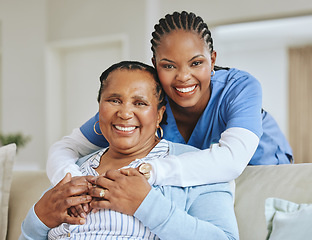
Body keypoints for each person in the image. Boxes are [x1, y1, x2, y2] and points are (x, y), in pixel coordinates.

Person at [47, 11, 292, 187]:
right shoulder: (144, 104)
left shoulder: (240, 88)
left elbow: (231, 160)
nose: (183, 77)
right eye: (169, 66)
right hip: (203, 182)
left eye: (196, 63)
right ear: (155, 65)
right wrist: (70, 178)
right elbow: (66, 147)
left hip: (263, 170)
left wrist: (146, 172)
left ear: (213, 60)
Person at [20, 61, 239, 239]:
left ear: (159, 115)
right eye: (114, 100)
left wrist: (146, 205)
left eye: (140, 103)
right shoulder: (73, 169)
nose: (125, 113)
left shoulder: (198, 165)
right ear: (100, 109)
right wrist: (37, 218)